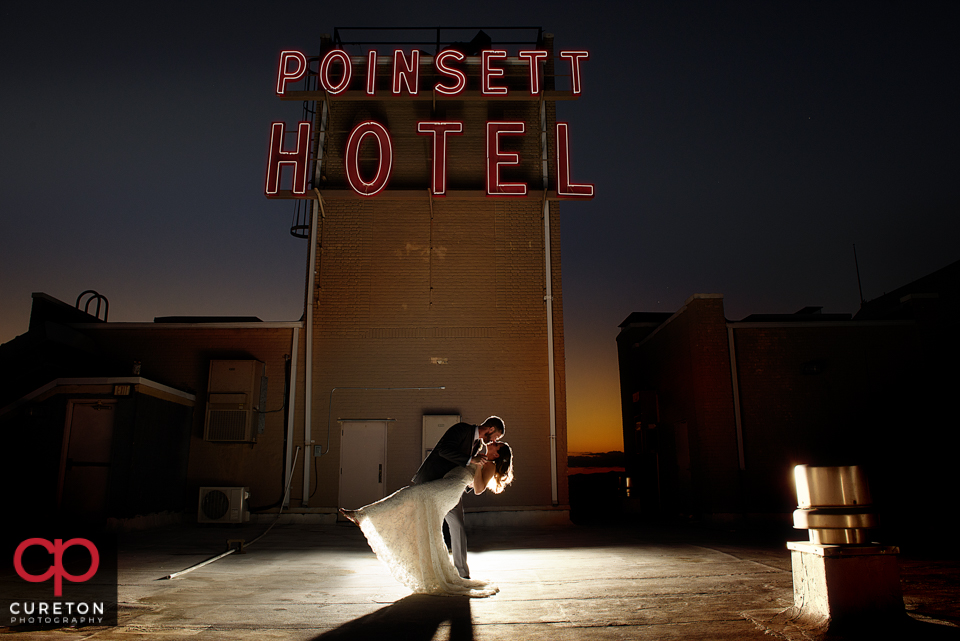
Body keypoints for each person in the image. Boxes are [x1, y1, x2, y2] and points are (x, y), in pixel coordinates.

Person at [340, 440, 514, 597]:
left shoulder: (489, 464)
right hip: (445, 484)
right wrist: (475, 460)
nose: (493, 442)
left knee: (409, 493)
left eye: (496, 444)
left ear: (497, 454)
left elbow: (478, 489)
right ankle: (366, 516)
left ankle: (362, 515)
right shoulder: (480, 456)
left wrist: (477, 466)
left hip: (449, 490)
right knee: (417, 507)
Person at [411, 416, 504, 579]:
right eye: (496, 437)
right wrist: (470, 459)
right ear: (490, 429)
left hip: (450, 489)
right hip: (432, 481)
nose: (494, 440)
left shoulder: (478, 445)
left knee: (458, 527)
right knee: (426, 527)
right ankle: (426, 572)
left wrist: (467, 483)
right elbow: (444, 450)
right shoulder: (461, 429)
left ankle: (462, 574)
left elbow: (465, 470)